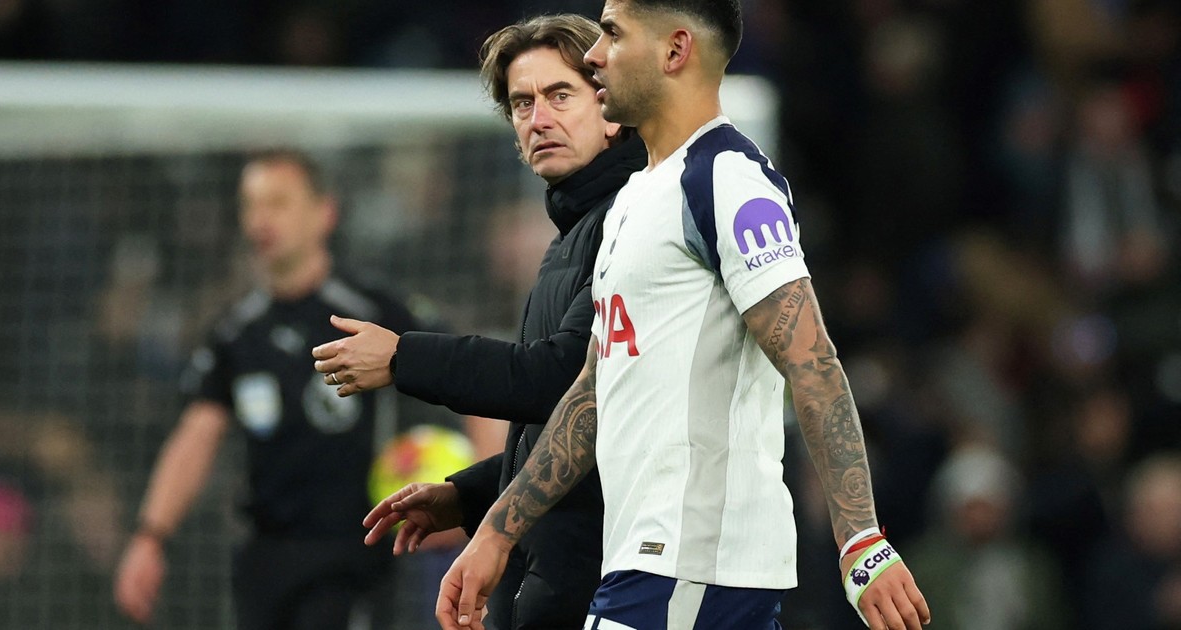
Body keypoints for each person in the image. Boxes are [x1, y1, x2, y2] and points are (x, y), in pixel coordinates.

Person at [434, 1, 932, 629]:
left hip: (691, 562)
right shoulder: (635, 199)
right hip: (658, 564)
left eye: (612, 34)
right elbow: (593, 392)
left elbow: (812, 361)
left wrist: (862, 541)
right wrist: (497, 532)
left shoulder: (728, 179)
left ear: (674, 51)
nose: (595, 55)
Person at [311, 14, 647, 630]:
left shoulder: (633, 221)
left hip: (609, 578)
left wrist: (402, 357)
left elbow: (558, 380)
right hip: (559, 567)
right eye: (522, 103)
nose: (538, 119)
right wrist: (466, 495)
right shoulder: (575, 232)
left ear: (611, 108)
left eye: (560, 95)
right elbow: (566, 428)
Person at [113, 149, 449, 630]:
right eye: (251, 204)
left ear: (324, 213)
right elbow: (197, 434)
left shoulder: (373, 310)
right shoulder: (235, 332)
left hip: (353, 557)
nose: (261, 219)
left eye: (278, 202)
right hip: (263, 559)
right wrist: (151, 536)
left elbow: (466, 380)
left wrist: (479, 504)